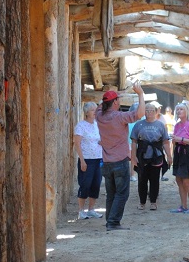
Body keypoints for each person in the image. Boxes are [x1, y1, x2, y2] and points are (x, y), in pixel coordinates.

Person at [96, 82, 145, 230]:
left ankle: (109, 220)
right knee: (122, 193)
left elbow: (99, 105)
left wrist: (111, 95)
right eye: (118, 100)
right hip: (120, 161)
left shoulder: (99, 116)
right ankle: (113, 222)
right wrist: (141, 94)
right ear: (115, 102)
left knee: (111, 193)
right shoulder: (119, 117)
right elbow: (140, 114)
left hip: (106, 161)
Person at [129, 101, 172, 212]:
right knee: (142, 179)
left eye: (151, 110)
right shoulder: (139, 124)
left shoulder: (160, 125)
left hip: (156, 155)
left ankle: (153, 202)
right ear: (144, 112)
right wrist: (133, 157)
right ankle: (142, 202)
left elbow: (165, 142)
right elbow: (134, 141)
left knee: (154, 180)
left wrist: (169, 155)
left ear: (156, 112)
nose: (149, 112)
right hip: (142, 156)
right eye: (147, 110)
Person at [73, 101, 103, 220]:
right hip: (87, 159)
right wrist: (82, 160)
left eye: (96, 109)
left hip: (98, 158)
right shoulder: (81, 126)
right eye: (92, 110)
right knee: (85, 184)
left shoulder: (97, 124)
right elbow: (77, 144)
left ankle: (91, 209)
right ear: (86, 112)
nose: (95, 112)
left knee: (96, 184)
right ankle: (81, 210)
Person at [169, 102, 189, 214]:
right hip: (179, 154)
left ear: (186, 111)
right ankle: (183, 206)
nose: (179, 111)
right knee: (179, 180)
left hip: (188, 154)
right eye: (177, 110)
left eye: (181, 109)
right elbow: (175, 140)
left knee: (187, 181)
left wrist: (180, 139)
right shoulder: (177, 125)